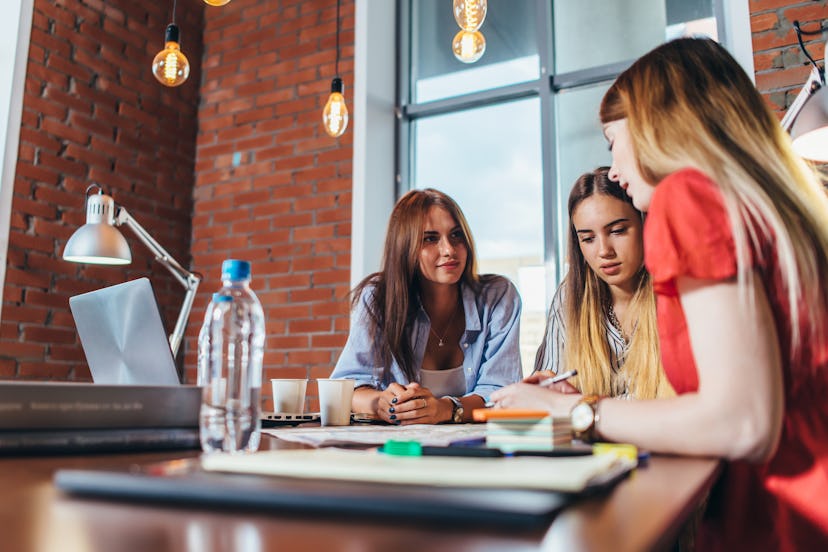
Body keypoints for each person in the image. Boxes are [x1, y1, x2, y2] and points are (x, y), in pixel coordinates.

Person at [496, 38, 828, 550]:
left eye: (612, 142)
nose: (614, 171)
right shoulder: (768, 204)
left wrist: (577, 412)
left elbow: (742, 421)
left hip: (778, 524)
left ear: (656, 124)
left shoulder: (687, 196)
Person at [331, 188, 522, 424]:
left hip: (474, 449)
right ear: (404, 247)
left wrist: (447, 409)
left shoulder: (498, 296)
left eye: (456, 235)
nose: (449, 250)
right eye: (431, 239)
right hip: (398, 449)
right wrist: (380, 402)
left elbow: (503, 392)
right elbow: (346, 387)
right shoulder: (379, 298)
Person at [505, 167, 672, 408]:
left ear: (645, 225)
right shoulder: (569, 297)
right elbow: (546, 387)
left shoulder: (674, 292)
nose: (604, 251)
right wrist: (546, 389)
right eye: (588, 238)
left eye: (617, 231)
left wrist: (581, 405)